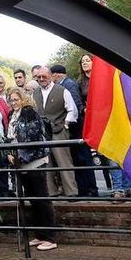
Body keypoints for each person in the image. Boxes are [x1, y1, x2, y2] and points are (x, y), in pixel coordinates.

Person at [6, 88, 58, 251]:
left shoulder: (29, 112)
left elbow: (33, 137)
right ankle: (40, 234)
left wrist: (20, 155)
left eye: (16, 99)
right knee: (33, 199)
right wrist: (9, 153)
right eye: (11, 100)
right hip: (20, 162)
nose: (14, 102)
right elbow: (11, 138)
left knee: (42, 197)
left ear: (23, 99)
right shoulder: (11, 115)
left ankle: (50, 237)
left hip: (34, 160)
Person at [32, 66, 79, 197]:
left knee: (64, 161)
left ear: (51, 76)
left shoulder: (62, 91)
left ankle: (71, 192)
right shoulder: (34, 93)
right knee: (46, 163)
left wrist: (66, 124)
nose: (41, 79)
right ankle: (51, 192)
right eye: (39, 77)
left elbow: (72, 110)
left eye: (44, 76)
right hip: (42, 133)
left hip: (59, 131)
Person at [51, 64, 96, 197]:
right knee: (79, 159)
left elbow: (76, 105)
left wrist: (67, 125)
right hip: (75, 128)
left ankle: (89, 189)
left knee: (82, 158)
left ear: (56, 74)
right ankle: (85, 189)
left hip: (76, 128)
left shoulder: (68, 85)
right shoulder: (69, 84)